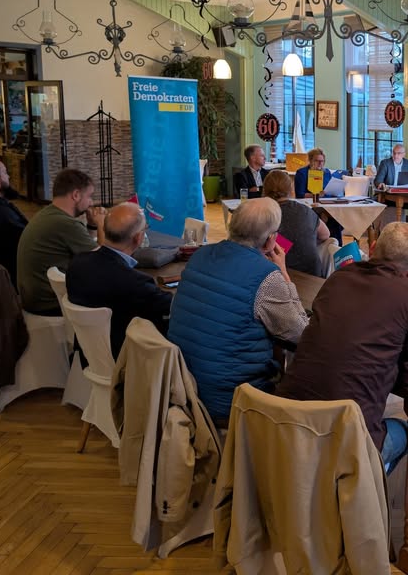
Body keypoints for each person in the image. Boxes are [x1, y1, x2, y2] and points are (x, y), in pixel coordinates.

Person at [277, 222, 408, 468]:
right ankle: (361, 484)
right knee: (405, 431)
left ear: (373, 247)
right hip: (346, 440)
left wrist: (391, 348)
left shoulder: (338, 278)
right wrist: (395, 353)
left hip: (286, 424)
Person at [167, 197, 309, 425]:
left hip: (184, 388)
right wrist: (284, 275)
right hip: (232, 401)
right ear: (270, 240)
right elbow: (302, 335)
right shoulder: (267, 277)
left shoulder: (200, 255)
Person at [66, 202, 172, 358]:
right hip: (128, 360)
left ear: (105, 230)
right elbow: (171, 306)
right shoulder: (135, 283)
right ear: (138, 238)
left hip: (88, 355)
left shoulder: (77, 264)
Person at [16, 169, 106, 315]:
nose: (91, 202)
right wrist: (101, 223)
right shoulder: (66, 224)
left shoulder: (48, 214)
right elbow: (103, 262)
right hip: (51, 305)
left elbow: (85, 253)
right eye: (90, 196)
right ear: (76, 195)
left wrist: (92, 226)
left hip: (34, 301)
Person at [262, 170, 338, 277]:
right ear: (291, 189)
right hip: (314, 277)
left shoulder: (264, 215)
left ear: (265, 190)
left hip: (283, 277)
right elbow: (325, 234)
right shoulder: (305, 210)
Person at [292, 147, 344, 243]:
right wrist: (315, 195)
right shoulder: (302, 173)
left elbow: (329, 190)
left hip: (327, 205)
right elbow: (300, 194)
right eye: (317, 161)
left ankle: (336, 246)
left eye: (322, 161)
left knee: (336, 219)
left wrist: (336, 191)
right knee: (327, 217)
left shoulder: (326, 172)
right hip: (311, 206)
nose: (320, 163)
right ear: (310, 160)